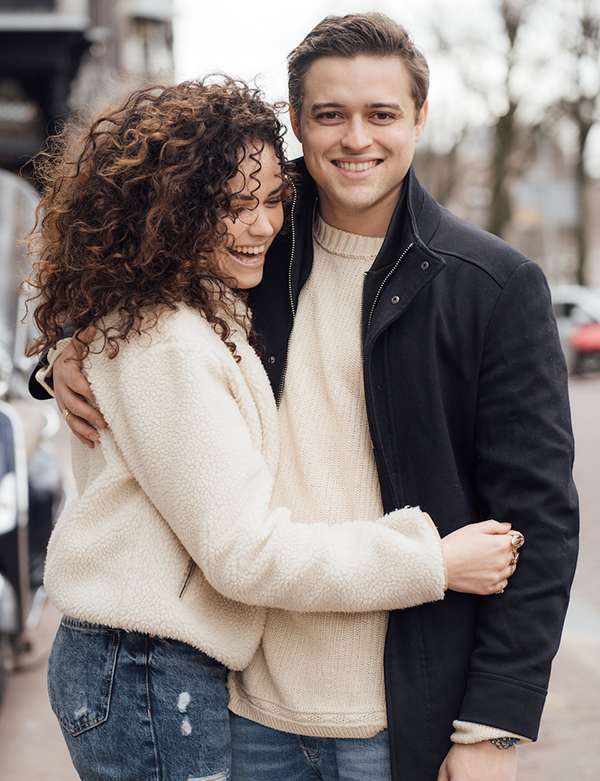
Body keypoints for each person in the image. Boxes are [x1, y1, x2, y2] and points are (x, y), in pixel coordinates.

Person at [27, 76, 522, 781]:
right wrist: (432, 562)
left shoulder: (181, 309)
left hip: (151, 668)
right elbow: (246, 552)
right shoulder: (169, 337)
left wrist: (68, 343)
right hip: (147, 671)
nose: (262, 226)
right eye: (232, 207)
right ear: (169, 213)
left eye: (270, 202)